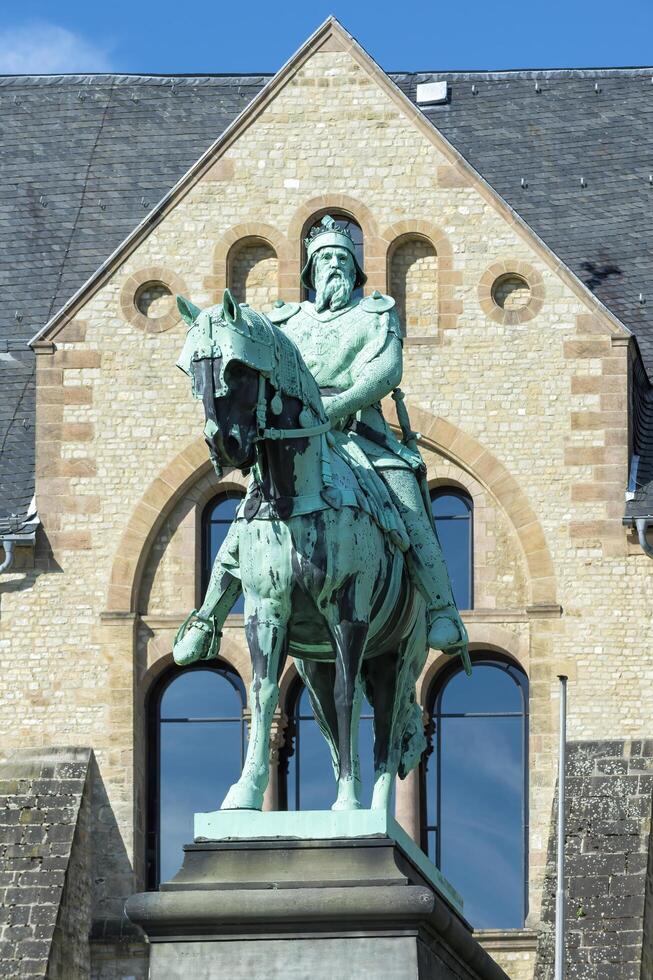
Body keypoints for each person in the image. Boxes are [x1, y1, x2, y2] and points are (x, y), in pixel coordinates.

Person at [174, 216, 468, 666]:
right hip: (295, 438)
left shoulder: (375, 313)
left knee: (405, 498)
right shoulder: (284, 322)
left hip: (360, 434)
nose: (334, 266)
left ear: (355, 269)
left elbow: (386, 371)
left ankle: (443, 609)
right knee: (248, 511)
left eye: (342, 258)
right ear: (310, 271)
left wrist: (339, 406)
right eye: (325, 258)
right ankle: (208, 616)